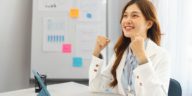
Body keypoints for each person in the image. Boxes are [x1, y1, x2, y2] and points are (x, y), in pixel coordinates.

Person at [88, 0, 171, 96]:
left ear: (149, 24)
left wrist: (142, 57)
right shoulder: (121, 52)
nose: (127, 20)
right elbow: (95, 86)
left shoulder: (161, 55)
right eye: (125, 15)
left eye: (134, 15)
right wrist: (96, 52)